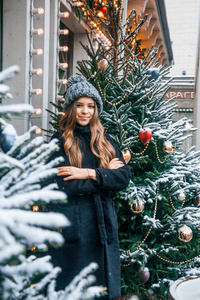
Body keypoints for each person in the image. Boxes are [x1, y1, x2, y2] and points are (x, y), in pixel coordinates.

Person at [48, 75, 131, 299]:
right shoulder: (58, 143)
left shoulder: (106, 141)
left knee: (102, 291)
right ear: (71, 109)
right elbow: (66, 184)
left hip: (103, 226)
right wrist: (106, 177)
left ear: (96, 110)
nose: (85, 111)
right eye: (80, 106)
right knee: (75, 290)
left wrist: (87, 172)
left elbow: (123, 177)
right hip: (74, 227)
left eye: (90, 106)